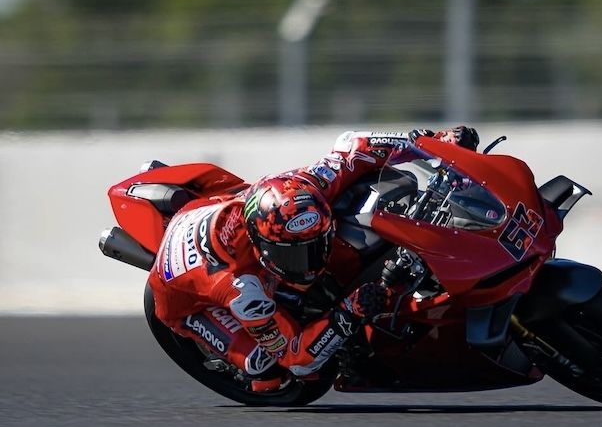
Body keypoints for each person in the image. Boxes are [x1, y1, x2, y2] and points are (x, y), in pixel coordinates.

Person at [147, 126, 480, 391]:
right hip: (182, 299)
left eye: (316, 245)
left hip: (217, 208)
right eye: (295, 255)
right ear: (264, 248)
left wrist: (437, 142)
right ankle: (247, 364)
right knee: (267, 369)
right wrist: (350, 310)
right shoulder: (241, 290)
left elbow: (356, 146)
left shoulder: (307, 185)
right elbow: (297, 358)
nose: (311, 262)